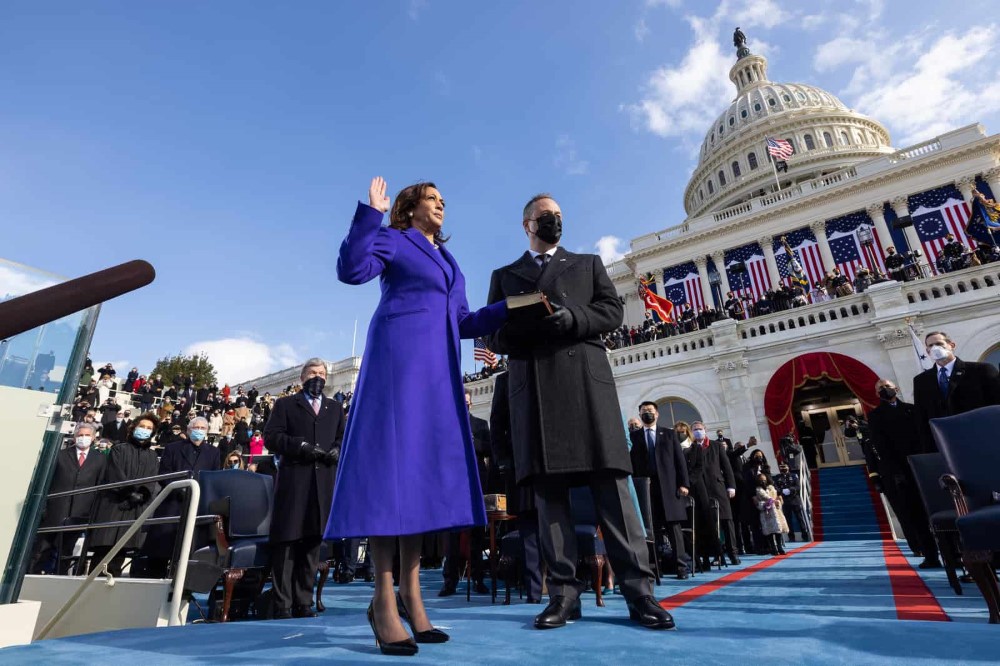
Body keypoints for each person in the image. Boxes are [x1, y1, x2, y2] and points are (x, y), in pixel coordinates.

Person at [326, 178, 507, 655]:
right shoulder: (393, 237)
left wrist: (511, 310)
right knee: (392, 476)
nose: (441, 205)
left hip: (436, 375)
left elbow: (464, 322)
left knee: (419, 478)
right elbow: (351, 270)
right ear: (409, 208)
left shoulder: (450, 262)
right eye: (432, 199)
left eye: (444, 200)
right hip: (398, 366)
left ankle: (411, 592)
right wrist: (370, 214)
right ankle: (383, 598)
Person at [486, 192, 673, 631]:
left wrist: (573, 319)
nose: (554, 221)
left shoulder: (587, 264)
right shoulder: (504, 275)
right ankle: (564, 595)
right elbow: (493, 337)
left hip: (586, 388)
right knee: (550, 500)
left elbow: (612, 311)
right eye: (546, 216)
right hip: (534, 390)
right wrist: (522, 330)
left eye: (559, 216)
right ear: (526, 224)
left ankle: (639, 594)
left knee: (613, 493)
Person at [265, 359, 346, 620]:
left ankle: (304, 602)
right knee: (287, 543)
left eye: (322, 373)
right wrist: (299, 446)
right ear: (303, 377)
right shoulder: (286, 404)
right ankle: (282, 604)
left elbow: (343, 437)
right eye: (313, 373)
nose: (318, 377)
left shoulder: (334, 408)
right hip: (294, 482)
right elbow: (271, 437)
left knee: (312, 544)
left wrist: (337, 449)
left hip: (322, 484)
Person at [867, 378, 940, 567]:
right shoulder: (875, 416)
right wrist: (893, 472)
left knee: (935, 511)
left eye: (887, 387)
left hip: (922, 466)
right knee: (913, 515)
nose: (884, 390)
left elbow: (925, 436)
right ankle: (929, 554)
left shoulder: (913, 410)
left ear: (896, 388)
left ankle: (952, 554)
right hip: (898, 471)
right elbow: (881, 447)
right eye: (880, 389)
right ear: (877, 394)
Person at [139, 417, 221, 577]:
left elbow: (214, 478)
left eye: (202, 428)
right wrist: (181, 488)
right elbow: (164, 474)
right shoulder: (173, 448)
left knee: (188, 552)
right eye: (195, 427)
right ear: (189, 430)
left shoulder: (213, 452)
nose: (199, 430)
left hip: (197, 507)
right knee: (160, 553)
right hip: (172, 504)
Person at [489, 370, 543, 602]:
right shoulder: (505, 380)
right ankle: (535, 589)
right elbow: (497, 424)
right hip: (520, 465)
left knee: (557, 524)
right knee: (529, 528)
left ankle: (561, 584)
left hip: (557, 462)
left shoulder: (550, 367)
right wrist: (505, 462)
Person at [87, 413, 161, 576]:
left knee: (121, 549)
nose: (145, 430)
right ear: (134, 428)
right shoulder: (119, 449)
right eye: (142, 426)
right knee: (104, 549)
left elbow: (151, 479)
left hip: (134, 509)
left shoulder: (152, 456)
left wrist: (142, 494)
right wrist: (129, 493)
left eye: (149, 428)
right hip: (113, 506)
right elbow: (115, 474)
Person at [30, 423, 108, 574]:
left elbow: (100, 486)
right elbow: (47, 482)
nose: (83, 438)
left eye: (87, 435)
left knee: (66, 552)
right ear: (74, 437)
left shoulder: (100, 459)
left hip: (80, 514)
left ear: (93, 438)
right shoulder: (60, 455)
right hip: (55, 511)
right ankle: (32, 577)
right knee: (42, 549)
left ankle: (60, 580)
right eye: (80, 435)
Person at [629, 402, 690, 579]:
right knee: (650, 529)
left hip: (670, 488)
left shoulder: (669, 434)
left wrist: (684, 484)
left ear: (657, 414)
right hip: (645, 489)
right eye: (643, 412)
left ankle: (681, 567)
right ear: (639, 415)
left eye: (650, 411)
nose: (647, 414)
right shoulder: (635, 436)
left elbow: (680, 462)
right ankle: (654, 568)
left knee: (673, 529)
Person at [912, 331, 1000, 451]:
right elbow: (922, 419)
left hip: (984, 439)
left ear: (952, 345)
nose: (934, 348)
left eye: (939, 343)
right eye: (930, 346)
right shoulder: (921, 381)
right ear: (927, 352)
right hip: (948, 446)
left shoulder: (981, 370)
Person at [441, 392, 491, 597]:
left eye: (469, 402)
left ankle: (478, 578)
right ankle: (450, 581)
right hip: (453, 485)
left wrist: (474, 442)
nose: (466, 405)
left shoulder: (480, 425)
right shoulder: (448, 426)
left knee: (477, 536)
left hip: (475, 484)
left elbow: (489, 449)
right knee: (452, 537)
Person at [692, 422, 739, 565]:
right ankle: (717, 554)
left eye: (700, 429)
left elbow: (727, 467)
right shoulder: (691, 448)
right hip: (701, 489)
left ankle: (733, 553)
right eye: (695, 430)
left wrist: (731, 486)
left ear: (705, 430)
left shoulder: (716, 446)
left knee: (726, 520)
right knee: (708, 523)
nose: (698, 431)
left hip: (718, 487)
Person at [772, 463, 811, 543]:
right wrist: (781, 491)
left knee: (800, 519)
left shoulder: (794, 476)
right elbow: (775, 487)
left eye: (784, 467)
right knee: (788, 520)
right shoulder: (777, 477)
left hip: (795, 500)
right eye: (781, 467)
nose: (783, 468)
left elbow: (798, 486)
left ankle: (805, 535)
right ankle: (791, 537)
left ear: (788, 467)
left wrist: (790, 489)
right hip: (785, 501)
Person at [754, 472, 787, 555]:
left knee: (778, 531)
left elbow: (778, 498)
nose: (763, 482)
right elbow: (758, 503)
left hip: (776, 511)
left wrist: (778, 502)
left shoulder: (772, 488)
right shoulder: (757, 490)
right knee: (769, 532)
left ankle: (780, 547)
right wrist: (766, 504)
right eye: (761, 481)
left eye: (764, 480)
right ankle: (773, 548)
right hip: (766, 513)